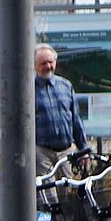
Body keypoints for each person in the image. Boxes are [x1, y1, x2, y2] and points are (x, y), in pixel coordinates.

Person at [33, 44, 87, 173]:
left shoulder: (66, 86)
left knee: (67, 186)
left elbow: (76, 120)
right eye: (43, 63)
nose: (48, 66)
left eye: (50, 62)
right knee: (47, 186)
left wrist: (83, 149)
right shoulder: (29, 89)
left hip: (66, 152)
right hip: (41, 152)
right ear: (35, 65)